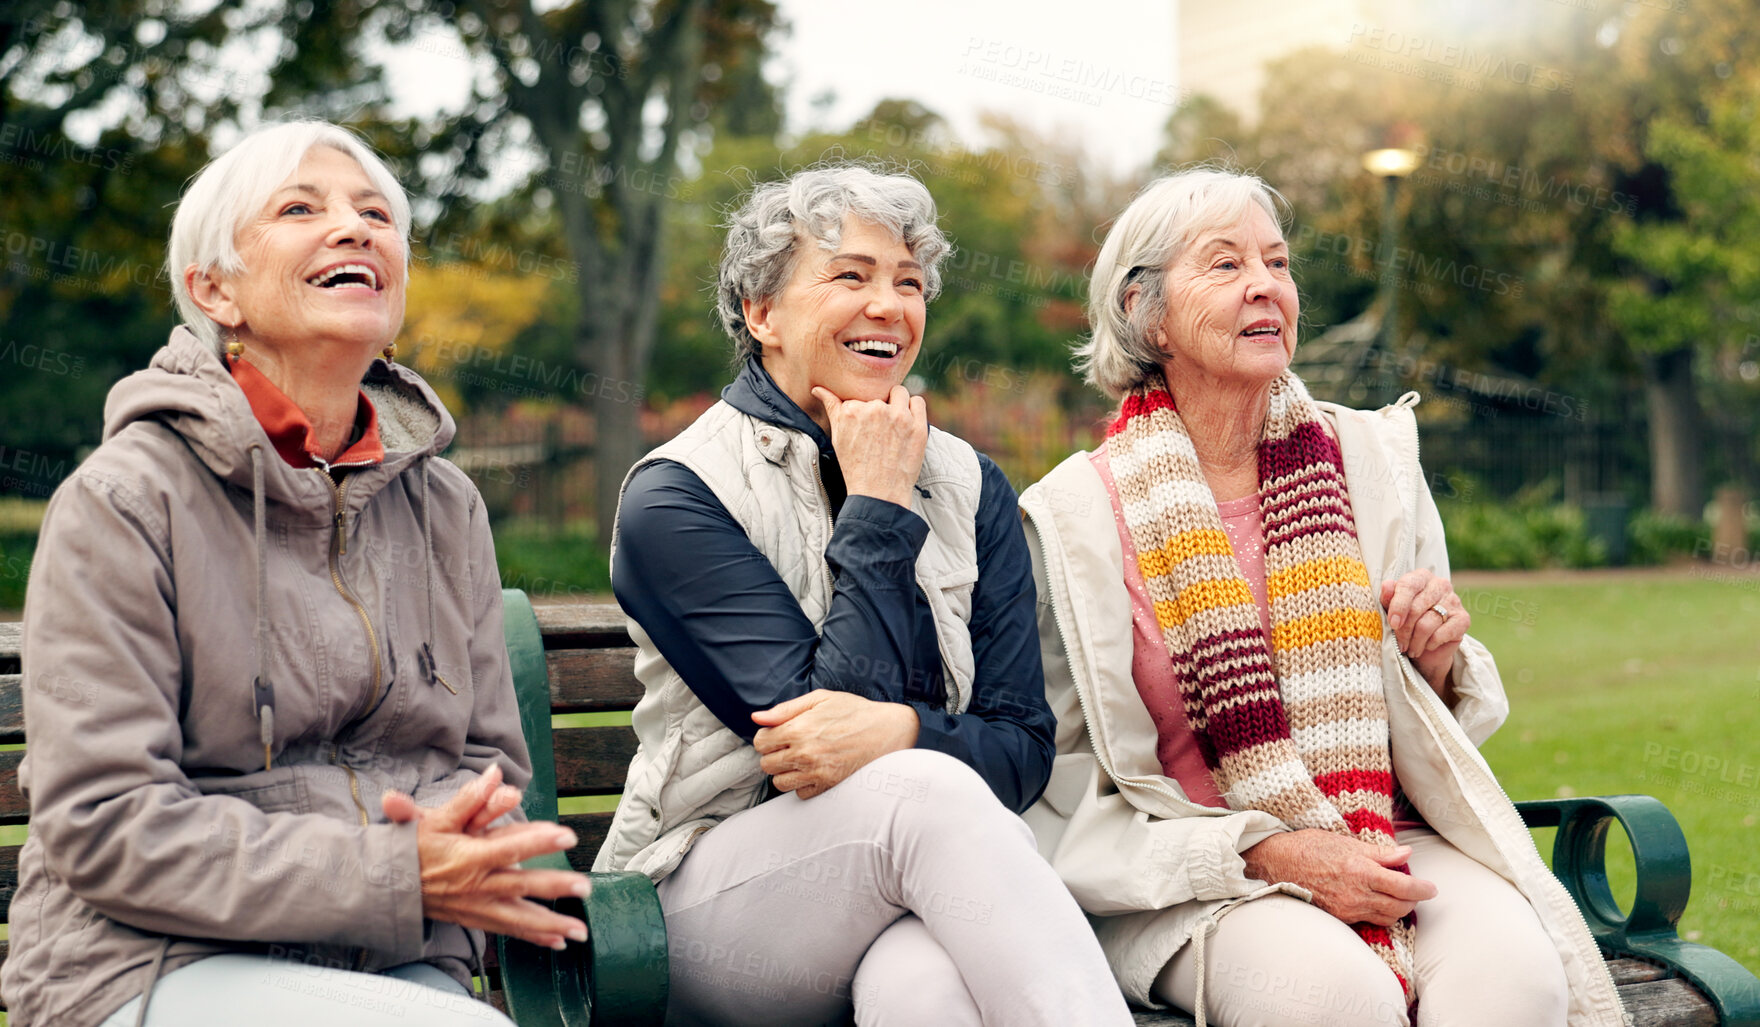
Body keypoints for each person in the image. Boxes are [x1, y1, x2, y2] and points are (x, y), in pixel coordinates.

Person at [2, 120, 589, 1027]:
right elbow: (105, 823)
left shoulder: (447, 507)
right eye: (299, 209)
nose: (355, 229)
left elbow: (487, 770)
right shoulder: (125, 499)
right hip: (149, 966)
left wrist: (465, 859)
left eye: (374, 214)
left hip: (399, 961)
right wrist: (393, 871)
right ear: (214, 291)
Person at [1018, 168, 1629, 1027]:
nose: (1265, 284)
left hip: (1383, 826)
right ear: (1147, 312)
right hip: (1193, 875)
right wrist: (1271, 850)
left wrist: (1437, 653)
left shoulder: (1371, 457)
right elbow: (1064, 784)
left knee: (1517, 984)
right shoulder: (1070, 514)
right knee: (1335, 1000)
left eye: (1277, 261)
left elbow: (1447, 716)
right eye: (1224, 265)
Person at [596, 163, 1130, 1027]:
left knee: (926, 989)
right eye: (850, 275)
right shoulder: (678, 495)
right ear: (761, 313)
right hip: (707, 902)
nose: (890, 305)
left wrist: (907, 730)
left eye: (908, 283)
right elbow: (813, 745)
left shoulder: (969, 483)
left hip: (912, 882)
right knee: (925, 791)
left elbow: (1026, 747)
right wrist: (878, 504)